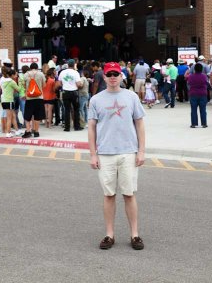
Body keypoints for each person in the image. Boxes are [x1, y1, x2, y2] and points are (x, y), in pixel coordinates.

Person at [88, 62, 146, 250]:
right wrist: (93, 154)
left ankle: (135, 234)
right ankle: (109, 234)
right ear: (103, 77)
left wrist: (141, 151)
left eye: (116, 74)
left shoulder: (131, 97)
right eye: (109, 74)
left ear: (122, 76)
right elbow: (91, 127)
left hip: (128, 152)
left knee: (129, 194)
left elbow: (140, 124)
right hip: (105, 153)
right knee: (109, 195)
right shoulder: (96, 100)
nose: (113, 77)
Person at [58, 58, 83, 131]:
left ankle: (67, 127)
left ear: (68, 64)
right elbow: (78, 84)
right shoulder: (76, 73)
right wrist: (81, 84)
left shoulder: (62, 72)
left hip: (65, 92)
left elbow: (59, 83)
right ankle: (77, 126)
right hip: (74, 92)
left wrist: (65, 84)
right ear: (74, 64)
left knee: (67, 110)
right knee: (76, 110)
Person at [22, 62, 46, 138]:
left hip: (29, 98)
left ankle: (28, 131)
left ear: (30, 67)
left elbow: (24, 85)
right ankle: (36, 131)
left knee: (27, 115)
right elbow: (44, 85)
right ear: (37, 67)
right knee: (37, 115)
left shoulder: (26, 74)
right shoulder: (41, 74)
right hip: (39, 97)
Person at [0, 69, 22, 138]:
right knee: (9, 117)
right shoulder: (12, 82)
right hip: (9, 100)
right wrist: (20, 82)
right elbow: (19, 89)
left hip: (4, 100)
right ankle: (8, 132)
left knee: (13, 116)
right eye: (15, 74)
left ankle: (16, 131)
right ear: (12, 75)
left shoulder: (4, 81)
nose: (16, 76)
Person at [186, 63, 208, 128]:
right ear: (201, 69)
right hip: (202, 94)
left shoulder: (191, 76)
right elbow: (206, 83)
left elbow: (189, 83)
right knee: (203, 109)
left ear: (194, 69)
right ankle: (204, 123)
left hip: (193, 94)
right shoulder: (204, 76)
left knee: (193, 110)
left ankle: (194, 124)